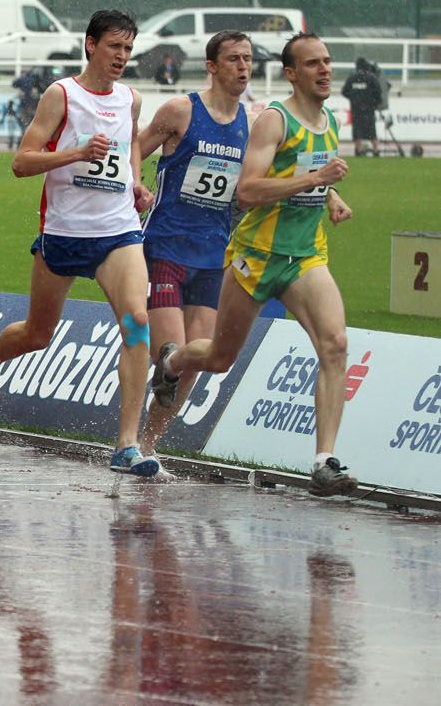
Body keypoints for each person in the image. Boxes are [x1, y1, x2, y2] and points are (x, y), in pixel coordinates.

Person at [152, 33, 359, 497]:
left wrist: (330, 195)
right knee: (219, 358)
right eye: (313, 64)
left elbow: (308, 173)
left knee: (335, 344)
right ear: (291, 73)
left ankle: (324, 462)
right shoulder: (273, 120)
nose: (325, 70)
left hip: (305, 256)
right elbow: (246, 191)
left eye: (327, 61)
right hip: (256, 256)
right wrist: (317, 178)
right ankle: (174, 360)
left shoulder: (328, 121)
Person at [0, 10, 158, 476]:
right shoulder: (62, 95)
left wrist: (135, 181)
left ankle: (127, 446)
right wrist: (76, 152)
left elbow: (131, 142)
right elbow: (21, 162)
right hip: (65, 234)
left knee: (137, 323)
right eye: (114, 46)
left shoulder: (130, 98)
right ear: (91, 44)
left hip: (118, 231)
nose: (122, 56)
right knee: (38, 334)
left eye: (128, 49)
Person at [132, 30, 253, 462]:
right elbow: (136, 147)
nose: (243, 66)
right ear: (212, 66)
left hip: (213, 255)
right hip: (165, 246)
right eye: (234, 59)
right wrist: (134, 184)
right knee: (167, 352)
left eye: (248, 59)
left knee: (190, 364)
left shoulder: (253, 122)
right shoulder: (181, 111)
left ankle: (147, 447)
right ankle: (135, 437)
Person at [341, 57, 381, 157]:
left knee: (357, 130)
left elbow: (344, 91)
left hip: (356, 109)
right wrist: (374, 103)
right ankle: (376, 150)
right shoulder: (371, 77)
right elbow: (378, 92)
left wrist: (353, 98)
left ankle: (358, 150)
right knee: (371, 130)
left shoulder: (352, 77)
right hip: (369, 108)